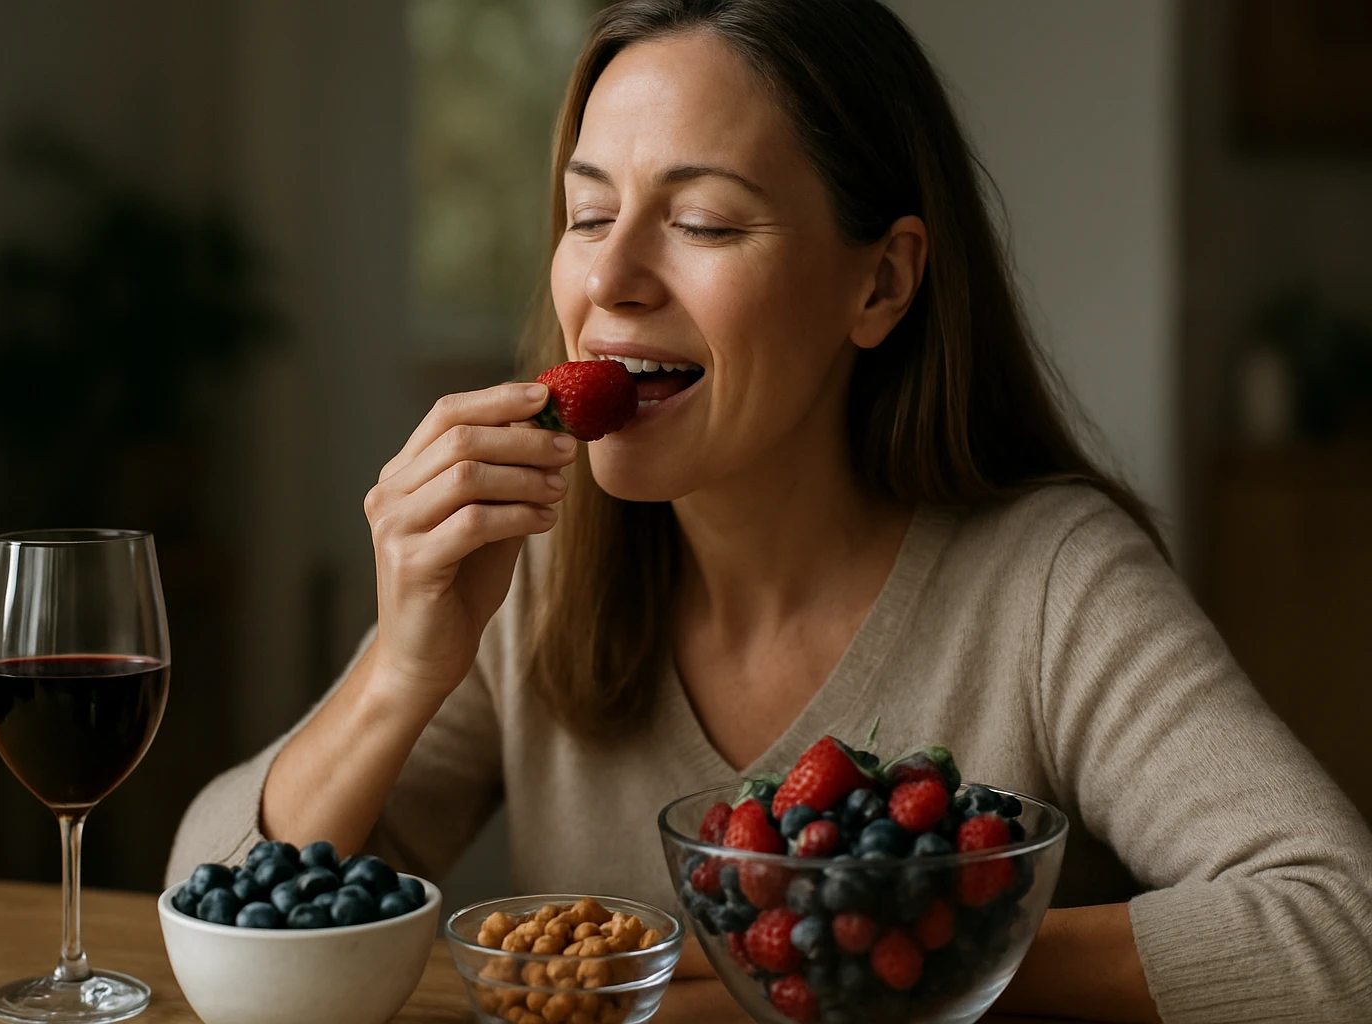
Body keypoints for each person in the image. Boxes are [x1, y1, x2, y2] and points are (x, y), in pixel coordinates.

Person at [168, 2, 1372, 1021]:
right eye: (588, 215)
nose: (611, 278)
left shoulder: (1049, 579)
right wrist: (402, 667)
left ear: (881, 281)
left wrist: (881, 939)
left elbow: (1339, 923)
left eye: (700, 221)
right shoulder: (534, 570)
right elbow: (207, 899)